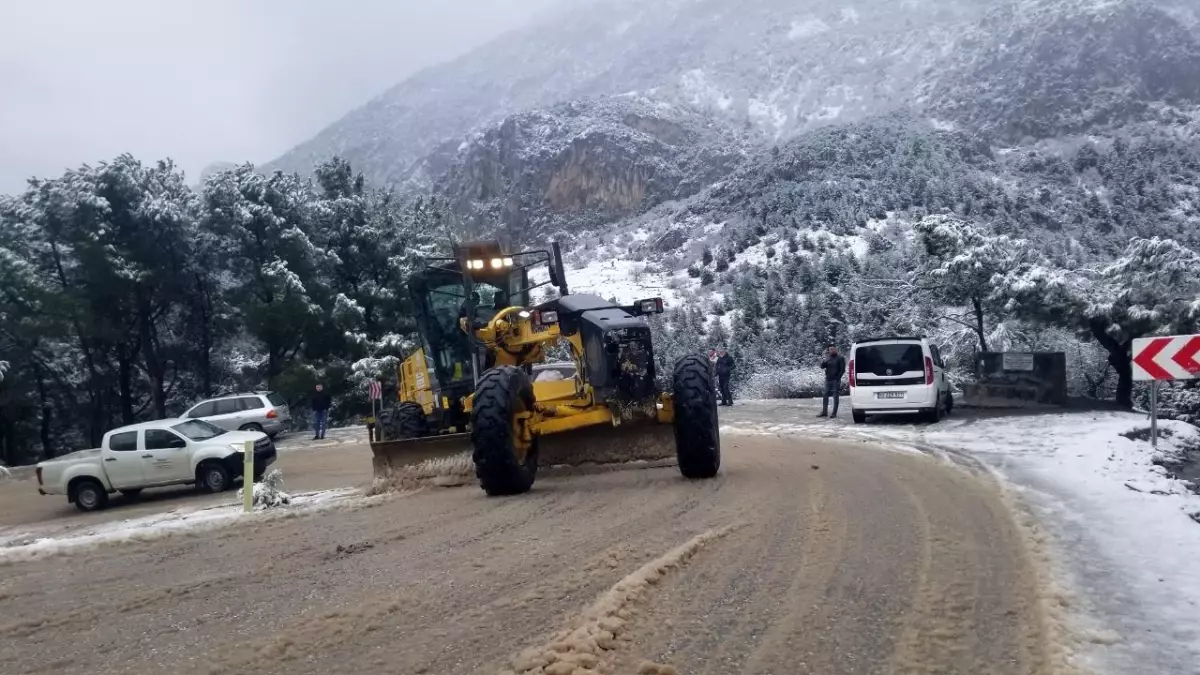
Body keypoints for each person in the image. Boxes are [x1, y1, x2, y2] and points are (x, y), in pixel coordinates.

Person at [818, 344, 846, 418]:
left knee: (835, 396)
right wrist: (824, 361)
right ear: (829, 350)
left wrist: (838, 378)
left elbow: (842, 369)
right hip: (828, 379)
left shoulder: (840, 358)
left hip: (835, 379)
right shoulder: (828, 358)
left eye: (833, 349)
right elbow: (822, 367)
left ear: (836, 349)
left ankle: (834, 412)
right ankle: (824, 412)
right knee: (825, 395)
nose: (832, 350)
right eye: (830, 349)